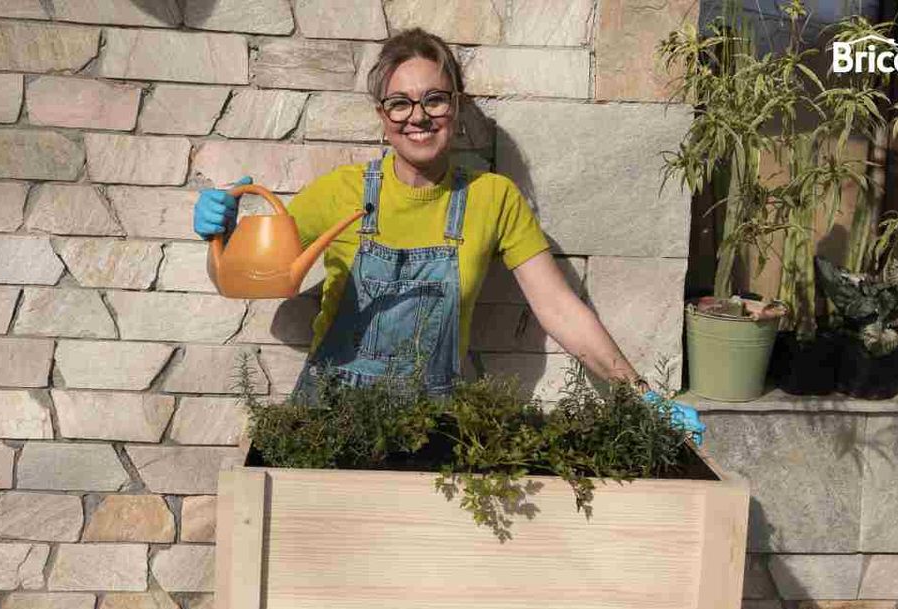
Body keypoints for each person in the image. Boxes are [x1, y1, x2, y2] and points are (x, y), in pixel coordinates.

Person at [194, 28, 682, 416]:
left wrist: (642, 396)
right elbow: (246, 283)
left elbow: (559, 308)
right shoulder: (338, 191)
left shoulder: (492, 198)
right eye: (400, 102)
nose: (418, 117)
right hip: (331, 418)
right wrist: (220, 242)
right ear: (382, 116)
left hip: (434, 423)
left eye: (435, 99)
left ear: (456, 106)